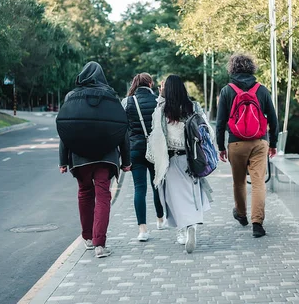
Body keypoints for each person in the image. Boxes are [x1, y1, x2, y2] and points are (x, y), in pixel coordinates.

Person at [59, 62, 131, 258]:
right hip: (105, 156)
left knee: (84, 193)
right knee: (103, 196)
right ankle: (100, 244)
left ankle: (88, 238)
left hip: (79, 156)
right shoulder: (111, 97)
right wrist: (126, 160)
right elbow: (122, 129)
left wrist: (63, 161)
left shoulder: (71, 97)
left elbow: (65, 129)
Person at [146, 75, 213, 254]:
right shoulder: (194, 107)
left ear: (166, 90)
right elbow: (207, 132)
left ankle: (182, 232)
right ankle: (192, 226)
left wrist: (160, 98)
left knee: (173, 197)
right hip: (192, 159)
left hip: (171, 160)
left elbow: (155, 131)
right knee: (192, 194)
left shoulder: (163, 109)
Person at [216, 54, 278, 238]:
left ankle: (241, 215)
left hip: (236, 142)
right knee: (258, 183)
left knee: (239, 181)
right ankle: (257, 223)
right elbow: (273, 120)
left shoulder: (227, 91)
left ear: (232, 69)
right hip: (260, 142)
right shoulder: (262, 90)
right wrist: (273, 144)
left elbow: (220, 123)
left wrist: (221, 147)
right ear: (252, 68)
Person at [124, 73, 165, 242]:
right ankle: (160, 220)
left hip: (135, 149)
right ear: (150, 83)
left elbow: (124, 130)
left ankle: (142, 230)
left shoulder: (127, 102)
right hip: (155, 149)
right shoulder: (158, 101)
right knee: (157, 185)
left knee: (139, 188)